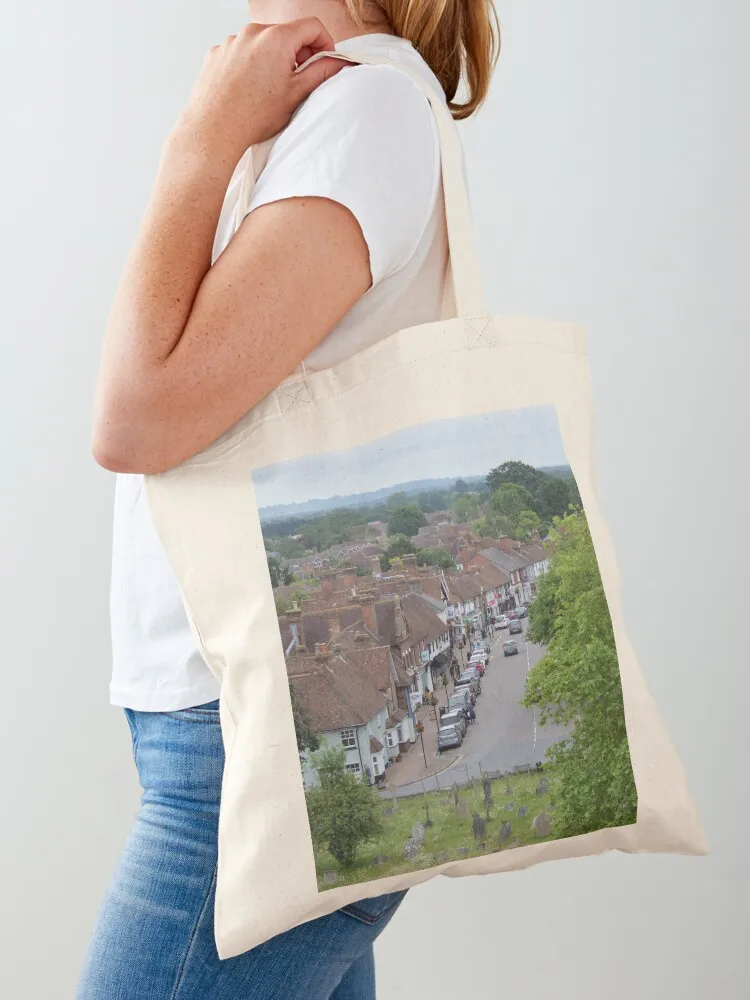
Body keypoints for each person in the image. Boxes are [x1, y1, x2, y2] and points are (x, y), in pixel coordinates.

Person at [79, 2, 499, 998]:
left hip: (255, 762)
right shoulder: (315, 106)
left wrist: (200, 140)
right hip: (227, 733)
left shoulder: (366, 112)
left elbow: (135, 417)